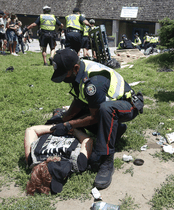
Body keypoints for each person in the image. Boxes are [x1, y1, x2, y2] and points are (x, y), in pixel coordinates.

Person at [47, 48, 144, 190]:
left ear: (75, 68)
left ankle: (106, 161)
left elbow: (94, 116)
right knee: (80, 115)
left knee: (106, 109)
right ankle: (116, 130)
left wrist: (68, 125)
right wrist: (63, 119)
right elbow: (79, 101)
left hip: (129, 106)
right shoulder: (79, 70)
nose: (63, 79)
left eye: (64, 74)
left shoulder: (93, 82)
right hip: (107, 106)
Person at [24, 124, 93, 195]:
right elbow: (87, 140)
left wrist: (55, 127)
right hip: (75, 127)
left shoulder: (33, 158)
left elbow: (31, 130)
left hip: (59, 126)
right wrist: (72, 129)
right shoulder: (79, 162)